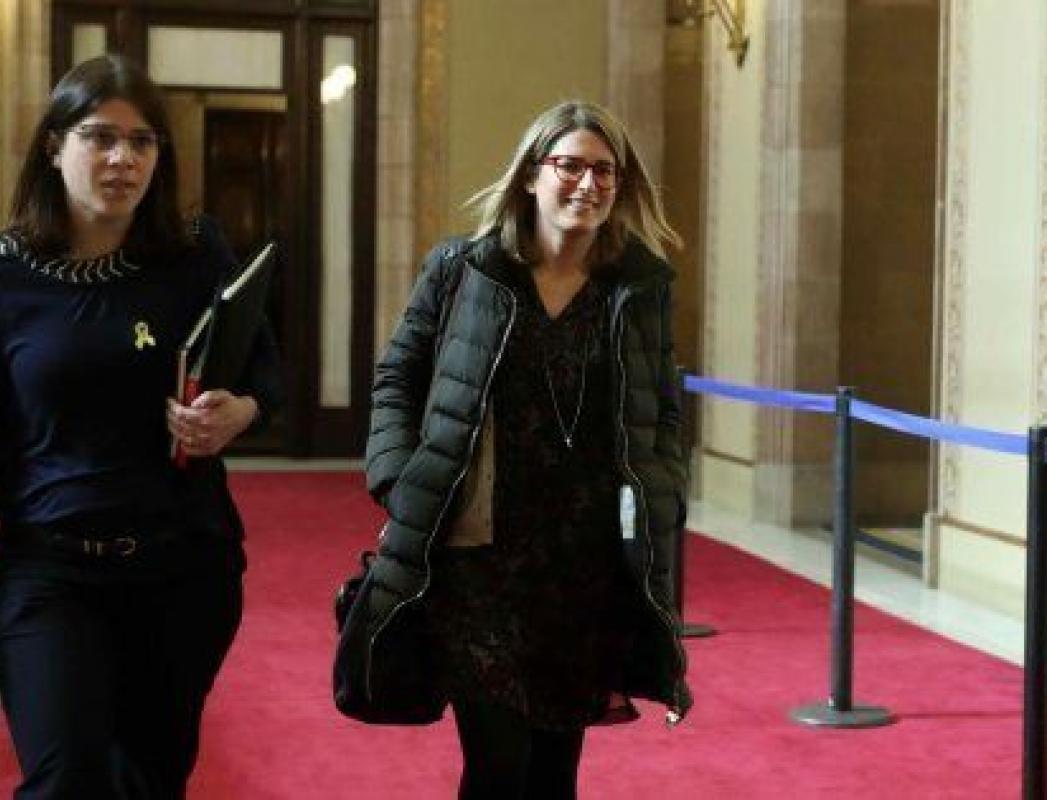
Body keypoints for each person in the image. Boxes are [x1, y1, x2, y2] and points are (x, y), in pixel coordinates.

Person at [362, 99, 692, 798]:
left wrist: (663, 491)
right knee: (496, 768)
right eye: (570, 165)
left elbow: (663, 411)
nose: (588, 183)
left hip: (584, 565)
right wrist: (398, 481)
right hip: (481, 561)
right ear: (531, 175)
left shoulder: (637, 288)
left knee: (552, 775)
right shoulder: (465, 269)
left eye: (605, 171)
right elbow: (397, 379)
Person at [0, 54, 280, 798]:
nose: (123, 158)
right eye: (100, 137)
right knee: (67, 777)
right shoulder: (6, 273)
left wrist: (235, 414)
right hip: (48, 569)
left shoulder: (195, 253)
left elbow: (262, 378)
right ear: (54, 146)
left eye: (142, 141)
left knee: (151, 779)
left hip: (182, 566)